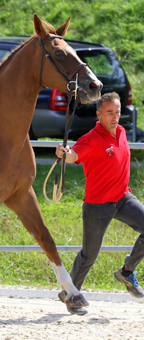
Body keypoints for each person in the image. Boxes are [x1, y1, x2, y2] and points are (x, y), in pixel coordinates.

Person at [56, 92, 144, 315]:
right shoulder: (91, 138)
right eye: (109, 113)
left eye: (117, 111)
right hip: (98, 204)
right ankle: (70, 294)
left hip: (123, 198)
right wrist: (65, 153)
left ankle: (126, 272)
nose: (115, 117)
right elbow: (75, 154)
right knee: (89, 255)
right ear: (98, 114)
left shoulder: (122, 132)